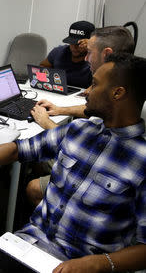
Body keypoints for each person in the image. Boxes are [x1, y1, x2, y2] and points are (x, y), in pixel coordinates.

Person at [0, 53, 146, 272]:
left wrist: (101, 263)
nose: (87, 92)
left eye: (94, 84)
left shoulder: (142, 161)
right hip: (31, 242)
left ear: (117, 93)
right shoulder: (79, 130)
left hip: (82, 263)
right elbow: (19, 149)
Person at [27, 26, 136, 205]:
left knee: (33, 178)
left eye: (89, 52)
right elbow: (90, 111)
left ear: (106, 54)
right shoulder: (123, 82)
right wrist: (60, 110)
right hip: (100, 159)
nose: (86, 58)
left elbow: (81, 147)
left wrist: (46, 123)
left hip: (99, 173)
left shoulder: (114, 92)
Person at [39, 21, 95, 88]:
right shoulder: (58, 52)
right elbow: (42, 67)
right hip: (57, 92)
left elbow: (105, 82)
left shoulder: (96, 59)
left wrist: (93, 47)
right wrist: (44, 83)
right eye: (71, 42)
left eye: (78, 44)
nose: (74, 47)